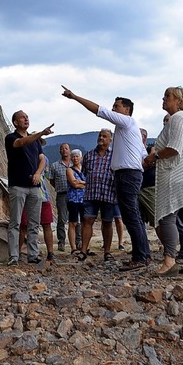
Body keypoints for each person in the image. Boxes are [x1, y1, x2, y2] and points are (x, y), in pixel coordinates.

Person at [62, 88, 151, 271]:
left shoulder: (126, 122)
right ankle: (143, 254)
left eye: (116, 106)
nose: (113, 108)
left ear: (126, 109)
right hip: (129, 174)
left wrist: (75, 97)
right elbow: (144, 155)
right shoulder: (127, 130)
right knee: (132, 215)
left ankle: (140, 256)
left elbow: (99, 110)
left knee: (131, 216)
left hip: (127, 174)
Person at [144, 87, 183, 276]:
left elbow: (174, 148)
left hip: (174, 175)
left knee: (166, 217)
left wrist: (154, 157)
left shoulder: (177, 118)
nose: (163, 99)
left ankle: (169, 259)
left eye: (167, 96)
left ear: (178, 100)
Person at [5, 110, 54, 266]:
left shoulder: (36, 142)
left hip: (34, 186)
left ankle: (32, 254)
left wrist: (38, 173)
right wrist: (40, 134)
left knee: (34, 222)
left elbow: (42, 159)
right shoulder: (11, 138)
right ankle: (13, 256)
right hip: (18, 185)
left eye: (27, 117)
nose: (26, 119)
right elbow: (22, 143)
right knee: (16, 222)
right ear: (15, 122)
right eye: (22, 117)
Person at [80, 129, 116, 262]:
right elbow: (84, 172)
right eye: (100, 136)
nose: (101, 138)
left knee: (107, 222)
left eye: (104, 136)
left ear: (110, 140)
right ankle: (83, 251)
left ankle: (107, 252)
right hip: (91, 193)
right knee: (88, 220)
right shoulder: (89, 155)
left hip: (109, 193)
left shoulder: (114, 155)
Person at [20, 148, 56, 262]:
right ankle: (19, 252)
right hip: (29, 195)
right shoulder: (25, 157)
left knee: (46, 224)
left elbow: (42, 173)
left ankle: (50, 253)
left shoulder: (44, 159)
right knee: (24, 226)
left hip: (42, 195)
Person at [49, 143, 74, 252]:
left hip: (74, 194)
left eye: (66, 148)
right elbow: (51, 180)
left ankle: (78, 241)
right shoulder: (54, 165)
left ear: (69, 151)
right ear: (60, 152)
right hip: (62, 194)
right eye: (62, 149)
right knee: (61, 219)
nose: (64, 150)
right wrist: (58, 187)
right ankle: (61, 242)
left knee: (75, 218)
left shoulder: (75, 164)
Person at [65, 149, 86, 254]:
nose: (75, 158)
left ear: (81, 158)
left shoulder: (85, 170)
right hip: (73, 199)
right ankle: (73, 248)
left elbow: (84, 183)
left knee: (85, 223)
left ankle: (84, 246)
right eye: (73, 156)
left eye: (77, 156)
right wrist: (85, 184)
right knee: (73, 223)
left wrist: (81, 182)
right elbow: (74, 184)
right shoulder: (69, 170)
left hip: (84, 199)